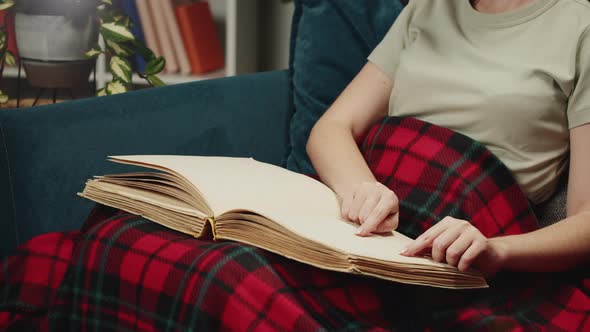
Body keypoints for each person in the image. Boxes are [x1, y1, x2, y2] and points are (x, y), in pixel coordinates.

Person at [307, 0, 590, 275]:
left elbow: (586, 218)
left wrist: (496, 250)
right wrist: (364, 189)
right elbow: (332, 127)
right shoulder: (427, 7)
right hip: (370, 223)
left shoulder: (580, 24)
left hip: (466, 243)